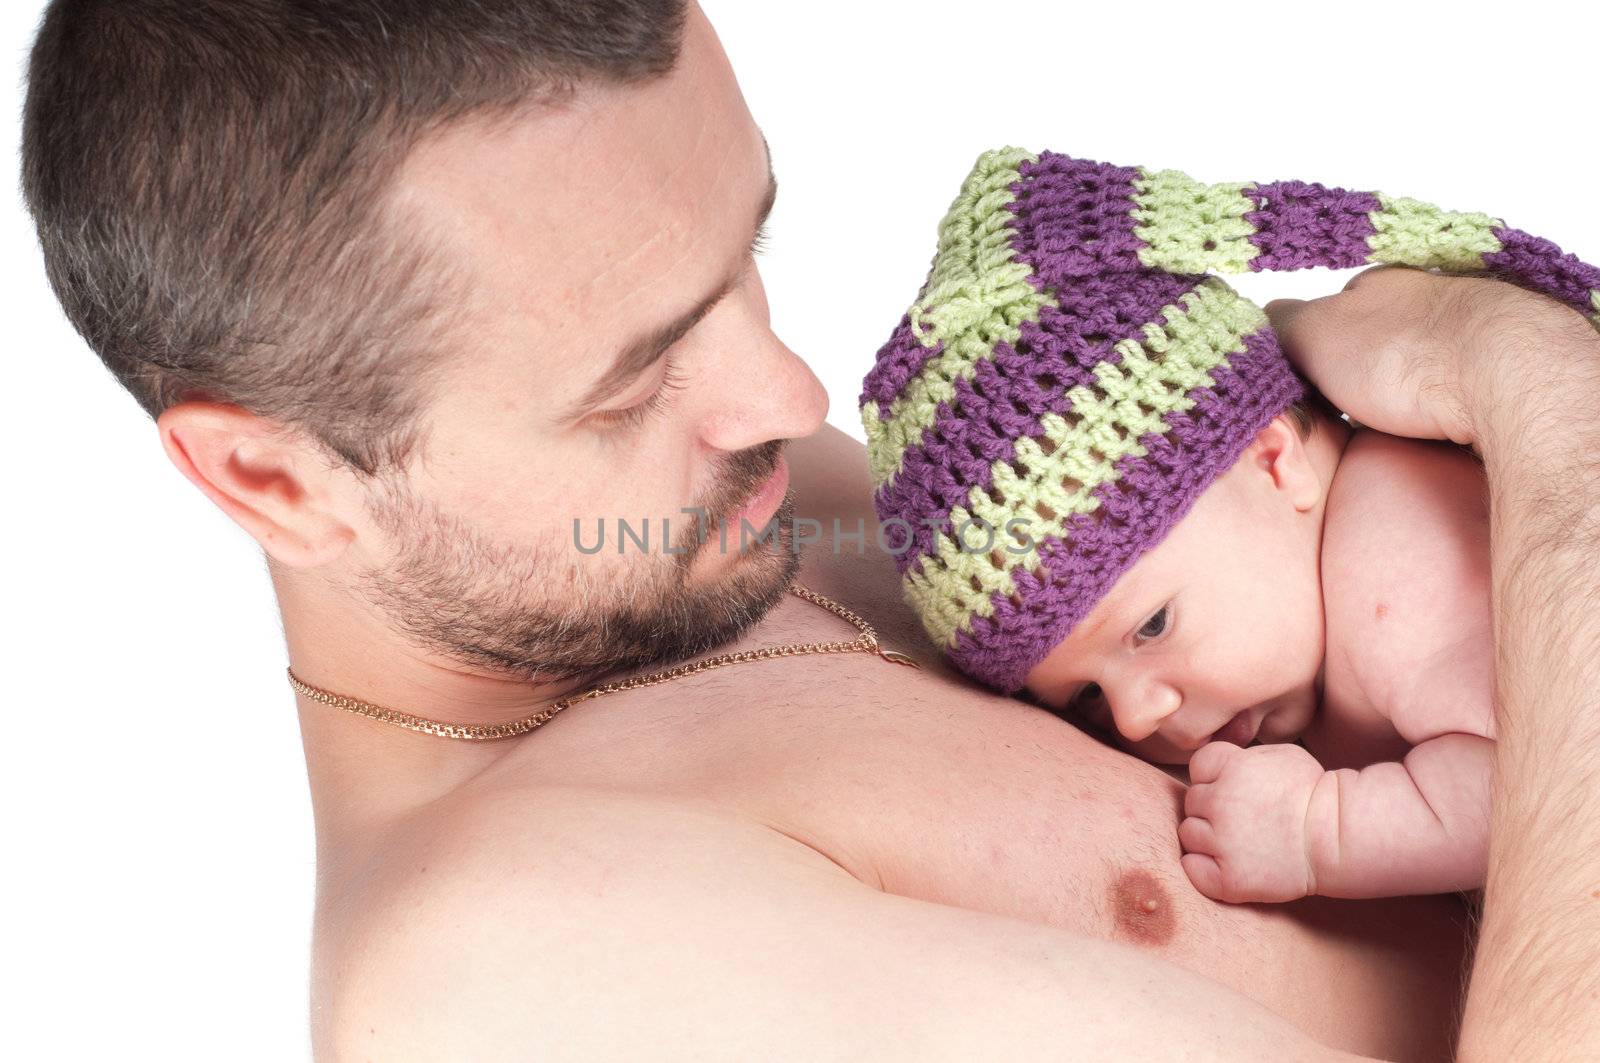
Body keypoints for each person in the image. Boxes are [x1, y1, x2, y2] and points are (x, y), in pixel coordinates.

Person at [20, 2, 1599, 1059]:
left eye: (744, 253)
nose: (787, 386)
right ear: (275, 478)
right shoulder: (512, 968)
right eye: (631, 376)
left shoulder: (741, 515)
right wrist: (1543, 407)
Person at [857, 149, 1600, 906]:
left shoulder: (1392, 564)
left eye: (1152, 625)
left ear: (1276, 462)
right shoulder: (1321, 601)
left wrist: (1323, 830)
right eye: (1085, 697)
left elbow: (1559, 775)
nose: (1137, 715)